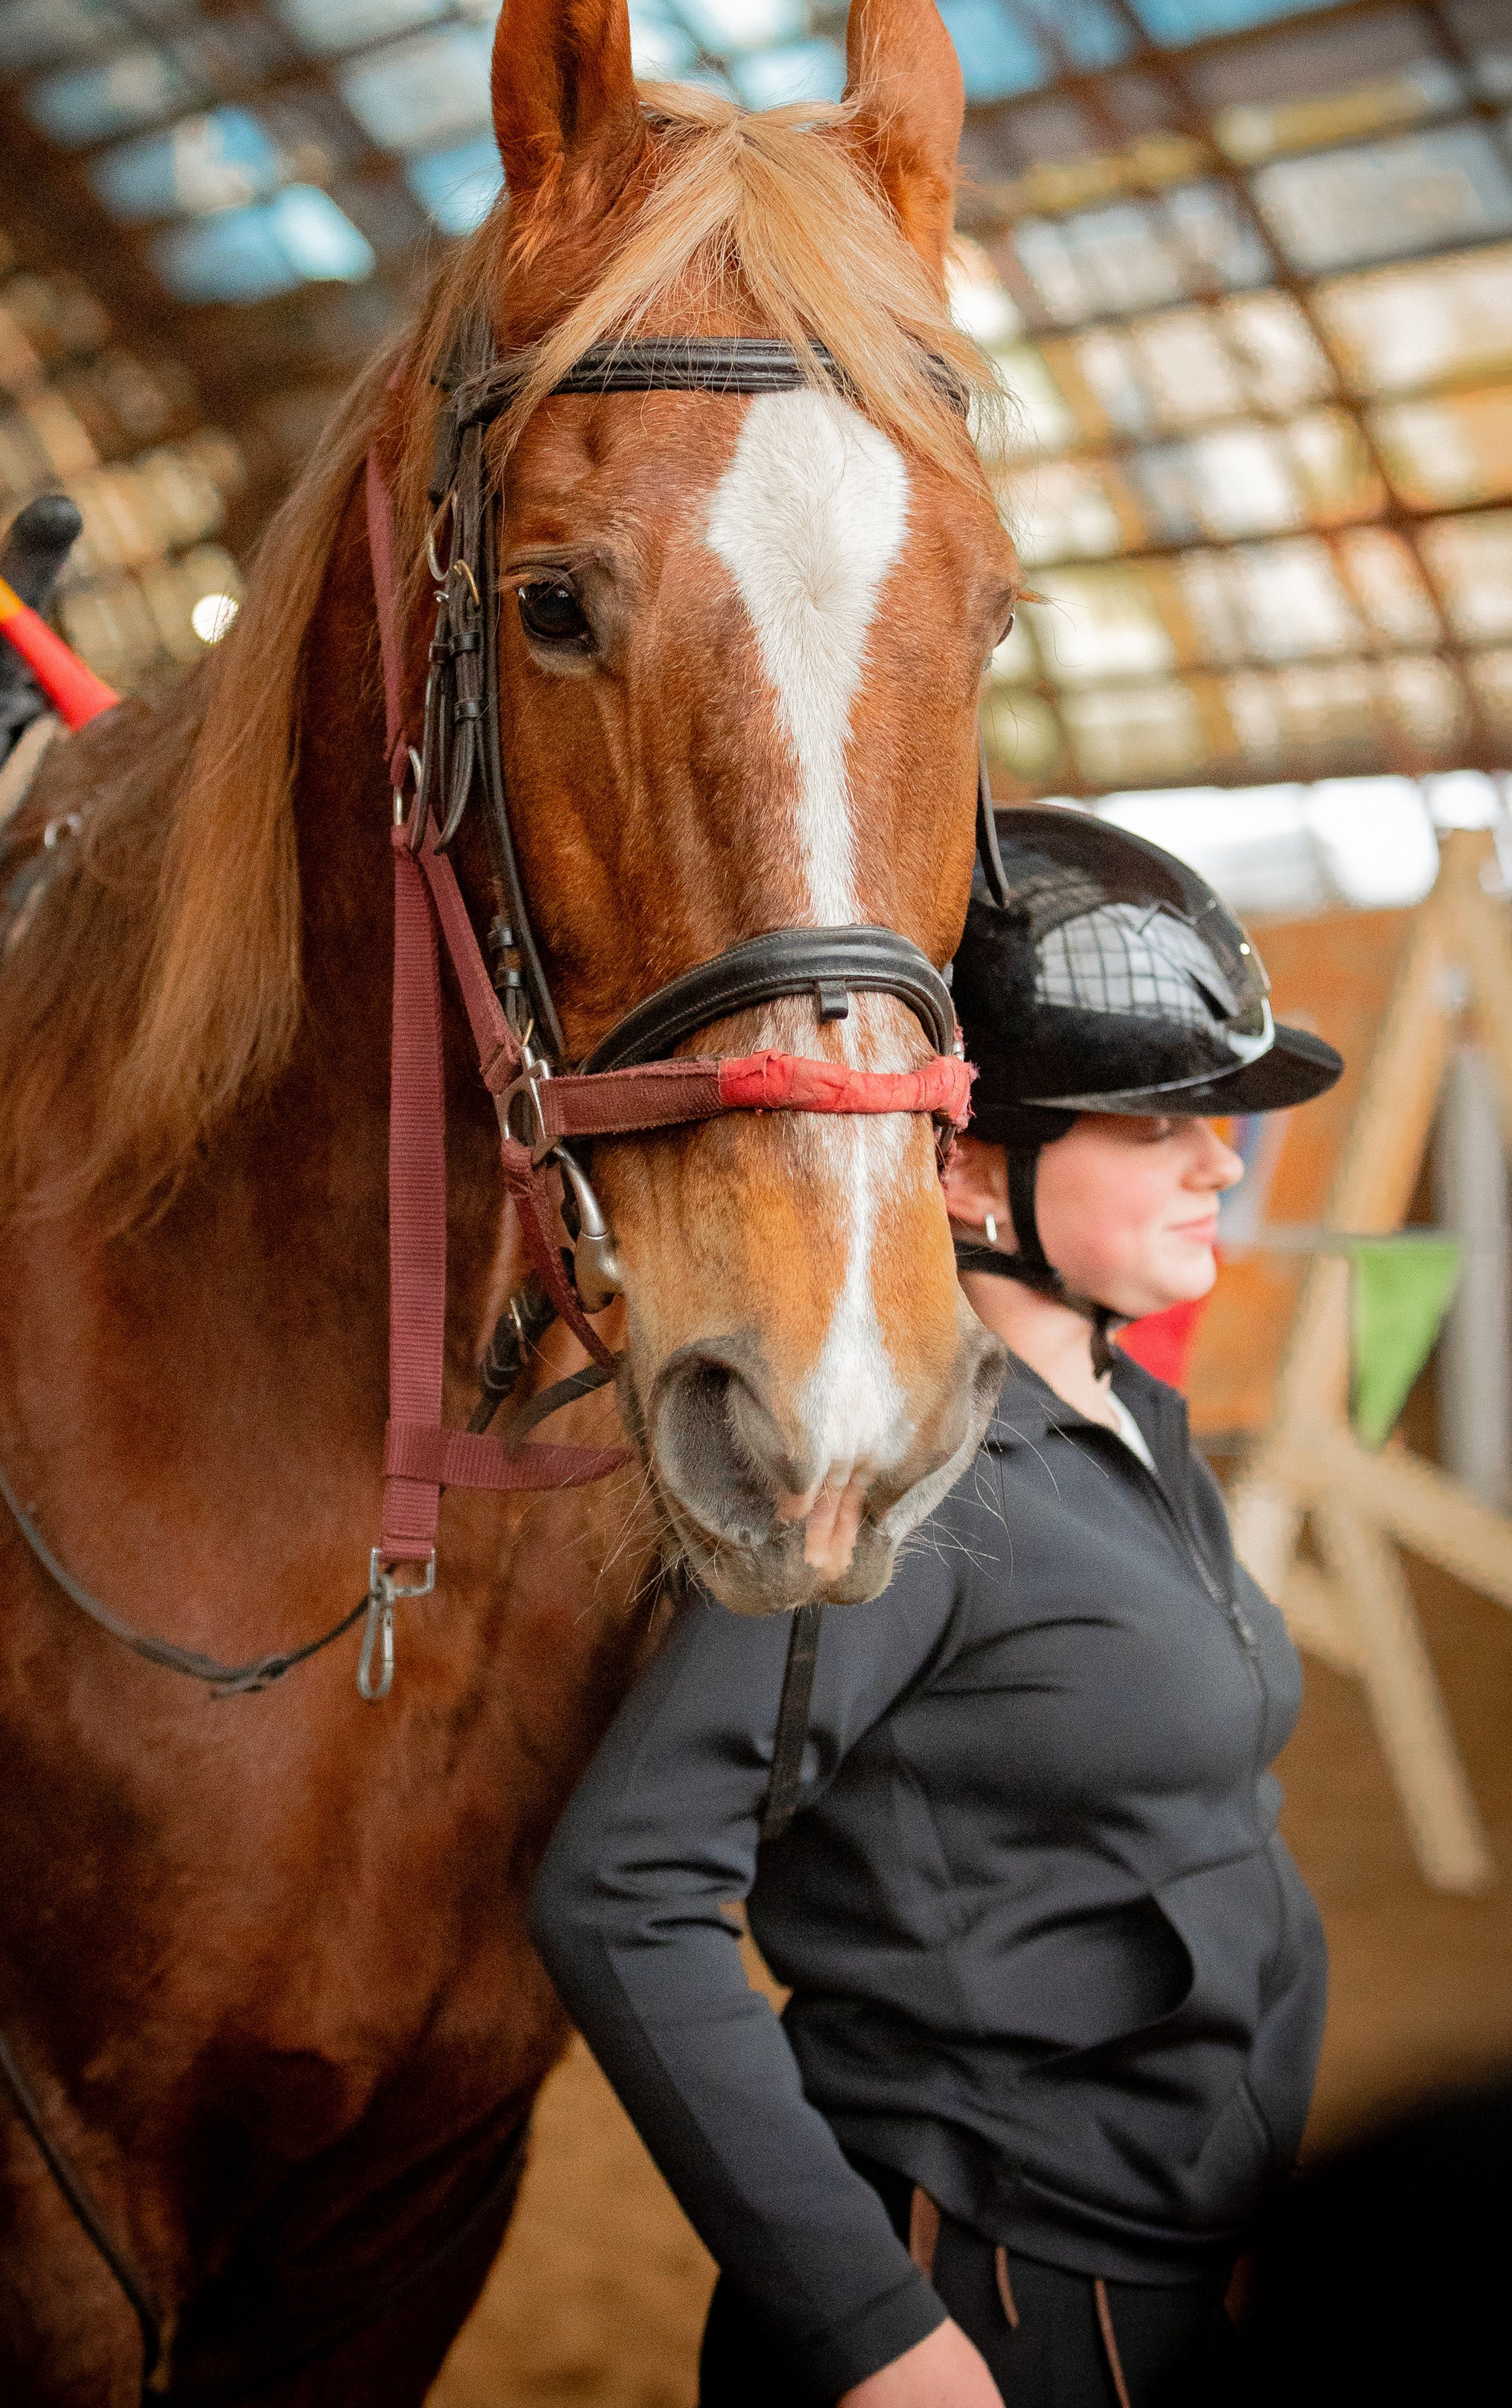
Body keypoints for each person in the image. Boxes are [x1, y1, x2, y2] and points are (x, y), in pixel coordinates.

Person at [530, 808, 1343, 2408]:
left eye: (1217, 1116)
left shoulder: (1129, 1420)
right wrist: (871, 2336)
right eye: (1152, 1118)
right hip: (992, 2305)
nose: (1219, 1158)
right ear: (966, 1162)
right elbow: (619, 1888)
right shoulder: (896, 1487)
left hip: (1183, 2260)